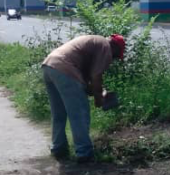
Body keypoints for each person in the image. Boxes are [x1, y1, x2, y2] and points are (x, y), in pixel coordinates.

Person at [41, 34, 126, 162]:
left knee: (59, 113)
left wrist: (99, 92)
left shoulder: (94, 43)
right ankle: (84, 153)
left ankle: (59, 149)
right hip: (64, 69)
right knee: (79, 113)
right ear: (115, 47)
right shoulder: (106, 47)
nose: (112, 59)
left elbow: (84, 83)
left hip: (49, 66)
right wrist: (98, 99)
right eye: (116, 55)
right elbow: (96, 76)